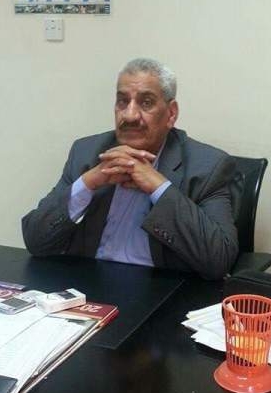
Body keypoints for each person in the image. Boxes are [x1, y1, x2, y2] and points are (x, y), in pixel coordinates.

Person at [21, 58, 241, 280]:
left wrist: (159, 187)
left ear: (171, 114)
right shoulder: (87, 153)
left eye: (146, 103)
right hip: (89, 284)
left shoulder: (208, 166)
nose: (130, 115)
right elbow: (35, 241)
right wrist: (88, 183)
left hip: (160, 288)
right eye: (122, 102)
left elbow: (219, 260)